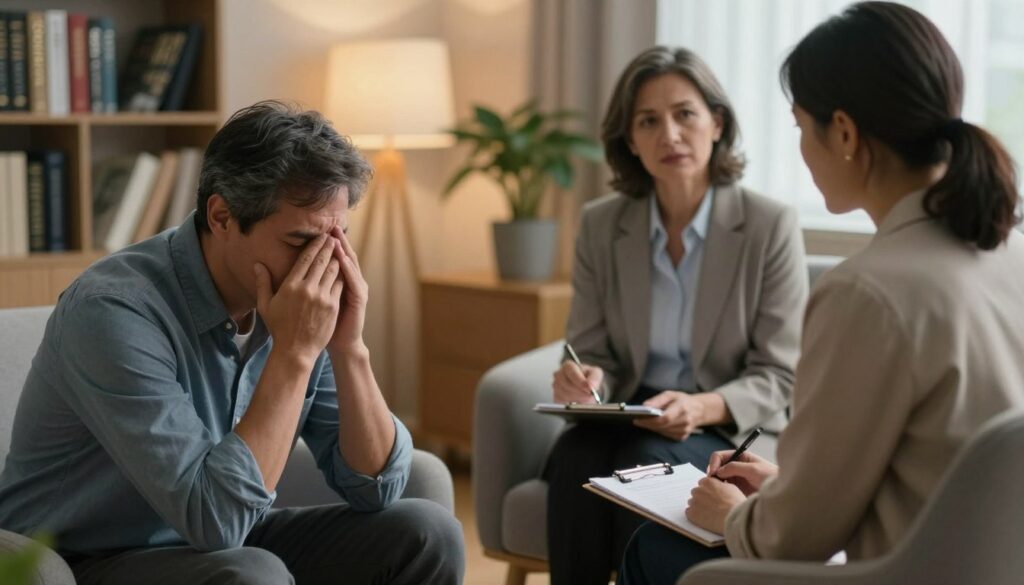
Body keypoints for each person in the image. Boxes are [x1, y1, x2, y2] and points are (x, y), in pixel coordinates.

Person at [617, 3, 1024, 583]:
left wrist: (737, 516)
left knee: (654, 549)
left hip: (894, 572)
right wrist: (784, 487)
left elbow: (792, 540)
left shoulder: (866, 293)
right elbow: (929, 473)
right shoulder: (1011, 252)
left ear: (845, 132)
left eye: (800, 127)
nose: (802, 150)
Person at [0, 101, 464, 585]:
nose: (327, 265)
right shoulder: (112, 311)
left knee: (427, 532)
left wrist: (349, 349)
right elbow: (216, 520)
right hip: (84, 560)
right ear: (222, 216)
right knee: (252, 573)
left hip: (222, 541)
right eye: (302, 242)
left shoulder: (294, 302)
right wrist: (295, 354)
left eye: (339, 237)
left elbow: (377, 489)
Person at [544, 46, 808, 585]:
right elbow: (592, 348)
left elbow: (779, 373)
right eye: (648, 121)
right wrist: (589, 380)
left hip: (725, 424)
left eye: (685, 113)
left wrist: (702, 406)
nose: (669, 134)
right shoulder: (602, 225)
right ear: (630, 141)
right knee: (573, 452)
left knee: (645, 453)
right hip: (634, 407)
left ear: (716, 122)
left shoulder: (768, 225)